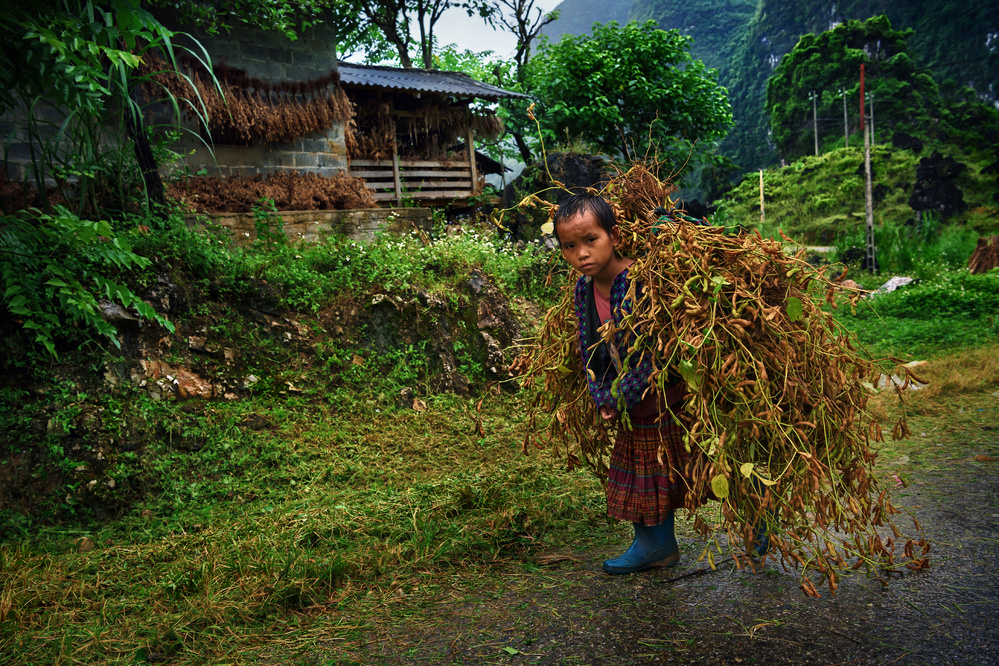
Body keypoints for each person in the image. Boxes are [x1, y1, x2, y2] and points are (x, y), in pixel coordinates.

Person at [552, 192, 693, 574]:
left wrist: (618, 397)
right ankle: (655, 545)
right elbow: (590, 347)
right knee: (638, 476)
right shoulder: (584, 289)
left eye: (590, 240)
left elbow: (654, 354)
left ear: (613, 235)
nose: (581, 253)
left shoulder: (639, 282)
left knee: (703, 465)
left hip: (667, 396)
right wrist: (601, 394)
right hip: (629, 404)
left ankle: (758, 515)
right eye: (569, 246)